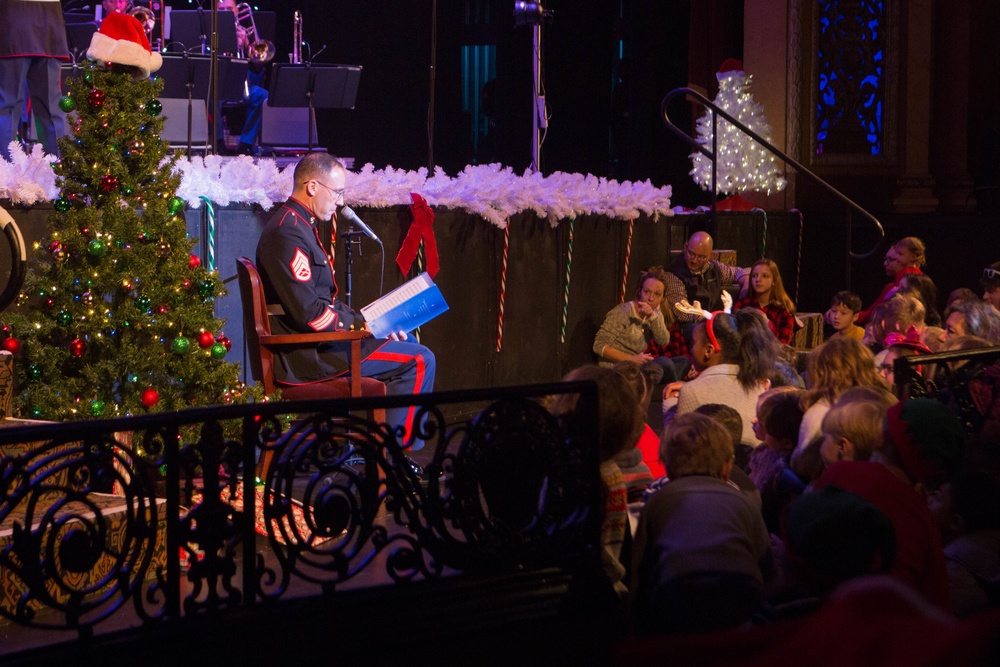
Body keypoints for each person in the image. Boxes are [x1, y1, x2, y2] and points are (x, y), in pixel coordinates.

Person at [255, 153, 435, 447]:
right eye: (337, 192)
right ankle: (394, 454)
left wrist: (374, 322)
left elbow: (322, 302)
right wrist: (363, 326)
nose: (340, 202)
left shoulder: (298, 224)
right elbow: (311, 315)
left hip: (320, 346)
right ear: (312, 187)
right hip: (307, 358)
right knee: (419, 359)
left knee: (410, 344)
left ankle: (380, 447)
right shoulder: (287, 232)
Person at [630, 412, 770, 636]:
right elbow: (765, 561)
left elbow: (640, 569)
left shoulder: (659, 501)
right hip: (741, 593)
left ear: (667, 465)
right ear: (727, 467)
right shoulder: (745, 501)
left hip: (677, 592)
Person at [662, 310, 776, 446]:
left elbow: (679, 449)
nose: (691, 350)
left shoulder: (692, 391)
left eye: (693, 343)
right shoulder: (757, 385)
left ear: (708, 351)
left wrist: (670, 407)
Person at [593, 266, 690, 383]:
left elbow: (663, 340)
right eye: (647, 291)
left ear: (662, 298)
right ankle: (666, 385)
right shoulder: (623, 312)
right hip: (616, 368)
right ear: (640, 292)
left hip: (638, 366)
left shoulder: (655, 315)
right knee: (665, 363)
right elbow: (599, 346)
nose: (651, 298)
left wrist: (652, 317)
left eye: (657, 294)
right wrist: (631, 359)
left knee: (684, 361)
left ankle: (657, 384)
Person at [0, 0, 69, 159]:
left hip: (13, 23)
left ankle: (4, 173)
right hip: (49, 24)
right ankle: (57, 171)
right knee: (50, 108)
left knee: (7, 107)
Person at [664, 231, 749, 327]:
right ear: (685, 247)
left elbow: (737, 272)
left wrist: (746, 281)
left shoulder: (714, 268)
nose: (694, 260)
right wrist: (713, 319)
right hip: (688, 325)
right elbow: (682, 312)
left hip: (710, 320)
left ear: (710, 255)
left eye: (701, 257)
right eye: (691, 253)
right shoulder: (674, 273)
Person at [219, 0, 268, 155]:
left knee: (262, 95)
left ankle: (246, 144)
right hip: (218, 86)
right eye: (222, 9)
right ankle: (218, 142)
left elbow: (258, 69)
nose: (226, 12)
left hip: (242, 86)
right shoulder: (210, 32)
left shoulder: (245, 33)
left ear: (237, 11)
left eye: (229, 8)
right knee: (208, 99)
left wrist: (247, 45)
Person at [857, 236, 927, 326]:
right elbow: (871, 312)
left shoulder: (911, 279)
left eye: (891, 259)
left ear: (912, 257)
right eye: (885, 259)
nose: (885, 263)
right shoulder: (891, 286)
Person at [734, 258, 799, 345]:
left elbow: (783, 343)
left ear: (774, 281)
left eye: (765, 276)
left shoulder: (783, 310)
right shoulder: (743, 304)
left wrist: (767, 323)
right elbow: (733, 336)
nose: (758, 280)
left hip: (772, 356)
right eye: (754, 276)